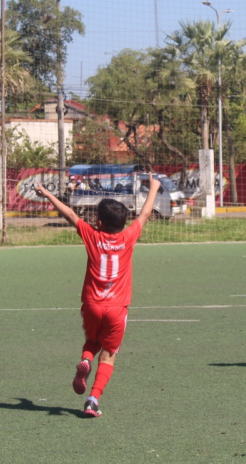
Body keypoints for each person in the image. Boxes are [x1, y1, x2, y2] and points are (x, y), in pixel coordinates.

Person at [34, 177, 161, 418]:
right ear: (123, 223)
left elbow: (70, 215)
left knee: (92, 341)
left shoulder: (92, 235)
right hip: (117, 308)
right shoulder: (127, 237)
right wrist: (153, 188)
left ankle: (85, 359)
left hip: (92, 304)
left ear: (98, 221)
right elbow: (143, 215)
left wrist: (47, 194)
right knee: (109, 354)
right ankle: (93, 400)